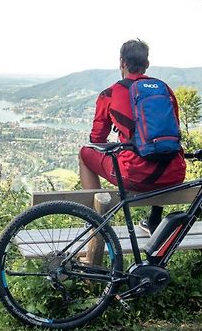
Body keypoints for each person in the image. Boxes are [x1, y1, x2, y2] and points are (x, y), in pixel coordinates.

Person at [79, 39, 186, 235]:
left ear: (122, 63)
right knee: (157, 149)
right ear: (147, 64)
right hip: (173, 174)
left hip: (135, 176)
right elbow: (170, 134)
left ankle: (95, 221)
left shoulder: (111, 93)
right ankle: (154, 220)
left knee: (84, 154)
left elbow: (97, 139)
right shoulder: (165, 90)